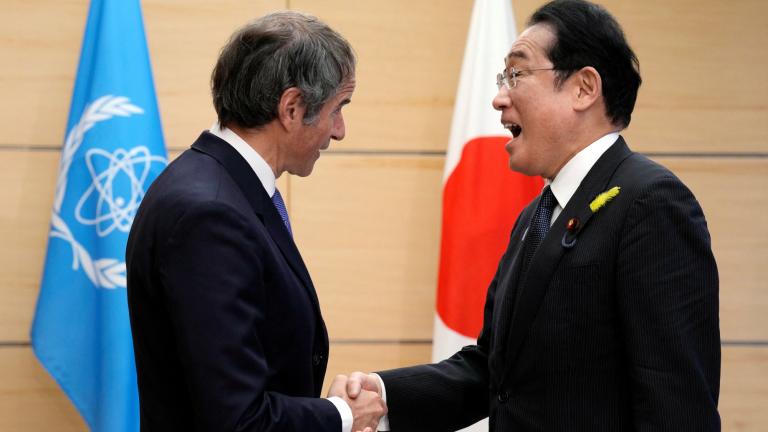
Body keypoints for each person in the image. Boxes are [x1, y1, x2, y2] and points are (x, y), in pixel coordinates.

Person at [344, 0, 720, 430]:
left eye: (516, 75)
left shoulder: (650, 204)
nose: (499, 97)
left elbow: (676, 404)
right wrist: (383, 392)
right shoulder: (535, 216)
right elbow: (494, 372)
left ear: (583, 88)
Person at [126, 11, 385, 431]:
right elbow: (237, 419)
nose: (339, 131)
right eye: (338, 109)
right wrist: (342, 416)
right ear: (292, 107)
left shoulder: (222, 187)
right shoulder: (208, 215)